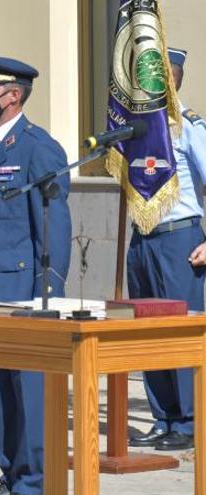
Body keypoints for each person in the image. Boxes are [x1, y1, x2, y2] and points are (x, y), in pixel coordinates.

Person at [0, 54, 72, 495]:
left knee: (29, 394)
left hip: (24, 298)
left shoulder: (38, 147)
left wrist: (46, 297)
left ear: (13, 95)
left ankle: (36, 483)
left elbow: (54, 228)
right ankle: (11, 476)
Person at [127, 47, 206, 451]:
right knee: (146, 332)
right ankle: (163, 418)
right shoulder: (136, 128)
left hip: (180, 239)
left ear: (170, 79)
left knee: (178, 332)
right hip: (143, 239)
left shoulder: (188, 126)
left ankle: (190, 423)